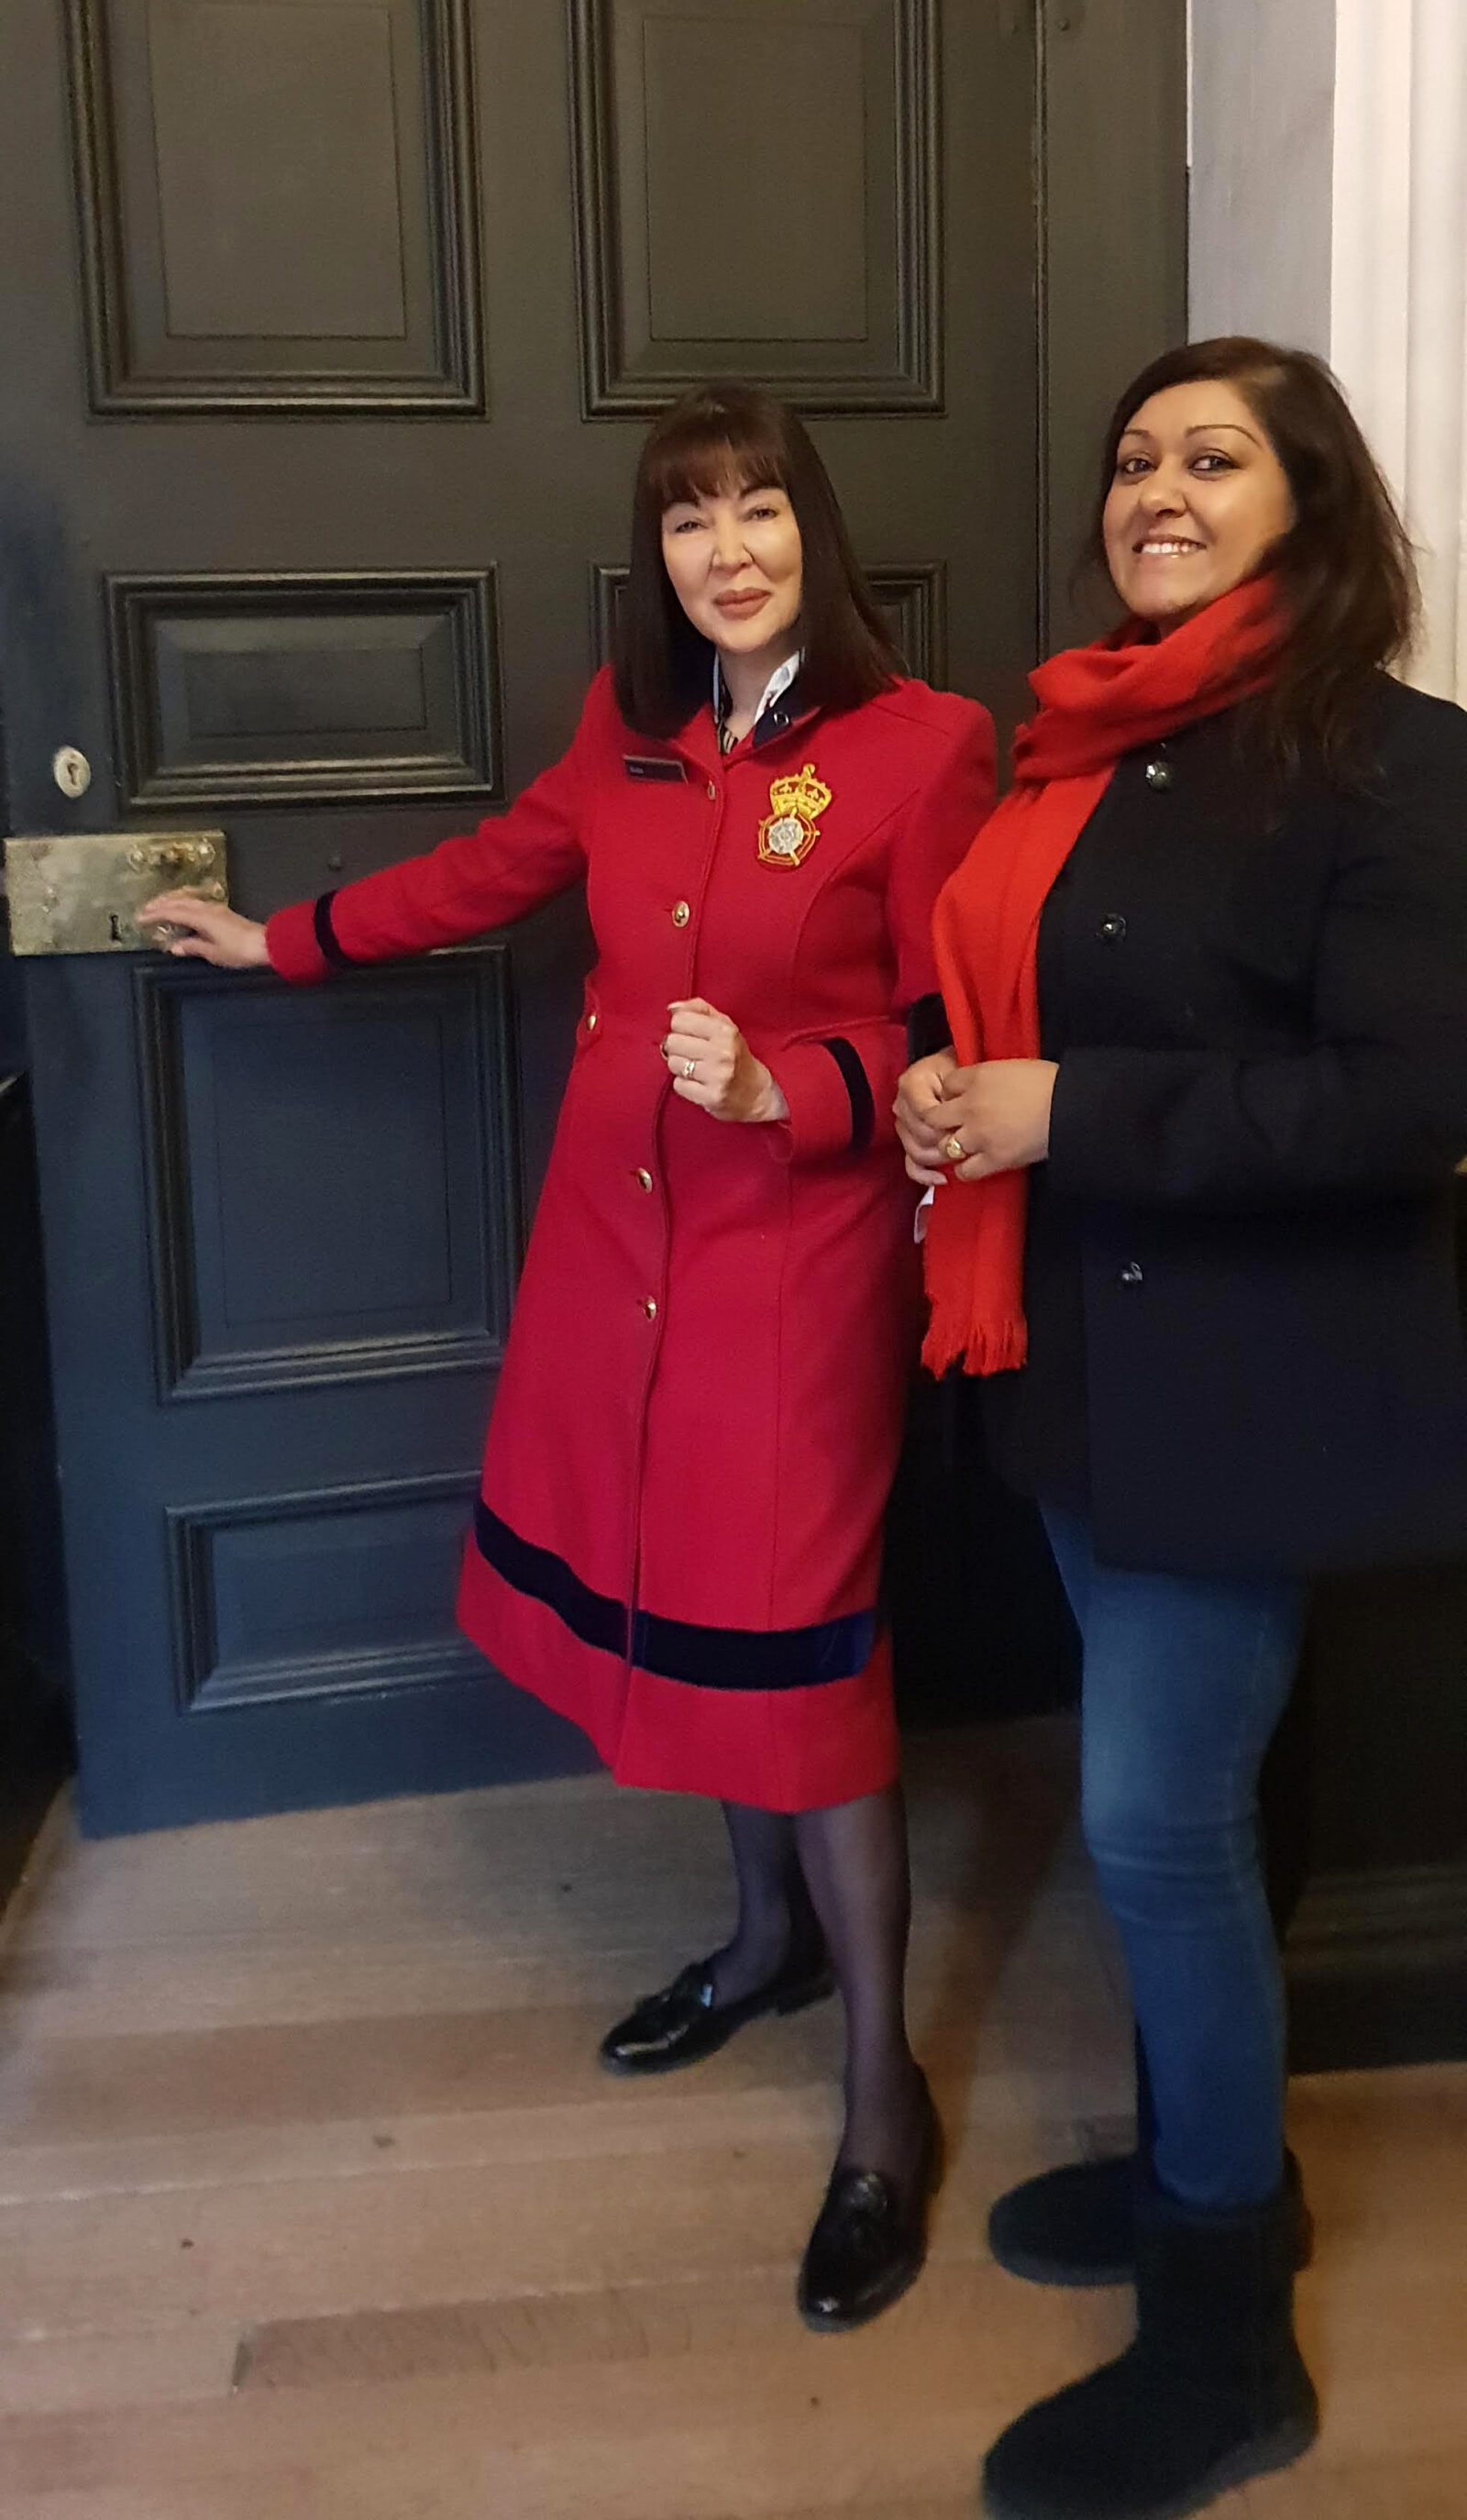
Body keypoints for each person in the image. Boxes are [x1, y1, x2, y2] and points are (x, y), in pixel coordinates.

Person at [145, 384, 996, 2330]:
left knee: (801, 1657)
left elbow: (949, 1045)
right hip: (615, 1266)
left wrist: (796, 1078)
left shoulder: (917, 748)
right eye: (688, 517)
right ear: (660, 556)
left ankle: (882, 2098)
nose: (726, 547)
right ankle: (758, 1937)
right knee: (684, 1604)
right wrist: (276, 943)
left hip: (796, 1277)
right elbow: (481, 872)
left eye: (758, 506)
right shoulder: (629, 745)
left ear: (815, 531)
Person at [896, 337, 1467, 2520]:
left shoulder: (1392, 769)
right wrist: (971, 1093)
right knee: (1179, 1826)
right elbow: (1030, 1006)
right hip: (1069, 1373)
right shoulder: (1084, 751)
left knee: (1152, 1829)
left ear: (1306, 508)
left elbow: (1411, 1106)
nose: (1152, 486)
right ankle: (1198, 2178)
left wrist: (1068, 1110)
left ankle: (1226, 2337)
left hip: (1247, 1395)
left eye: (1210, 458)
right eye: (1133, 456)